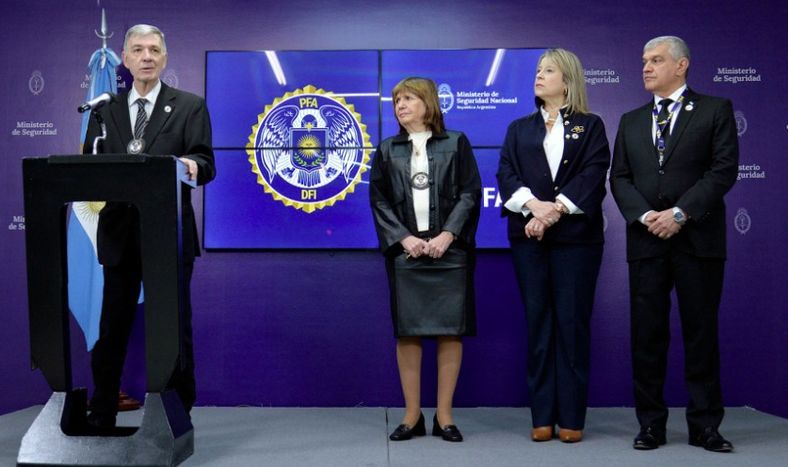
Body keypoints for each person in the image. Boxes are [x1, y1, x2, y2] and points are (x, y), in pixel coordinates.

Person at [83, 24, 215, 431]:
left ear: (164, 58)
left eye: (154, 50)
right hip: (120, 235)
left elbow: (206, 163)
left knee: (174, 327)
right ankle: (102, 409)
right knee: (112, 327)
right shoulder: (104, 109)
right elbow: (89, 165)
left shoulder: (190, 106)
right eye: (138, 50)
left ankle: (177, 412)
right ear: (124, 58)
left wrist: (192, 165)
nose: (146, 57)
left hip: (169, 234)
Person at [610, 36, 738, 452]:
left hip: (697, 239)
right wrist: (648, 217)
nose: (646, 67)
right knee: (647, 335)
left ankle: (705, 426)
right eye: (644, 60)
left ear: (681, 66)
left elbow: (722, 171)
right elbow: (620, 178)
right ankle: (651, 425)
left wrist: (679, 214)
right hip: (646, 240)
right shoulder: (630, 120)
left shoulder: (715, 110)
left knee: (701, 333)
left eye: (656, 60)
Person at [497, 49, 610, 443]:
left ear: (568, 80)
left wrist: (554, 212)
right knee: (539, 326)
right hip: (528, 241)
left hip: (577, 242)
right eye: (538, 70)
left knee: (572, 326)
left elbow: (595, 174)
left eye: (549, 71)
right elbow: (506, 174)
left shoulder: (590, 126)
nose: (539, 76)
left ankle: (572, 419)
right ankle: (542, 416)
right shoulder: (518, 128)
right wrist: (532, 207)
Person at [369, 77, 481, 443]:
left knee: (451, 332)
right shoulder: (387, 149)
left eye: (409, 98)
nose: (400, 105)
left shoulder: (456, 142)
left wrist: (448, 235)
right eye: (397, 100)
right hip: (407, 252)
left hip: (451, 252)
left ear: (428, 102)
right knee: (409, 332)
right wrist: (404, 238)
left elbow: (469, 193)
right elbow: (380, 201)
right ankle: (412, 416)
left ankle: (444, 417)